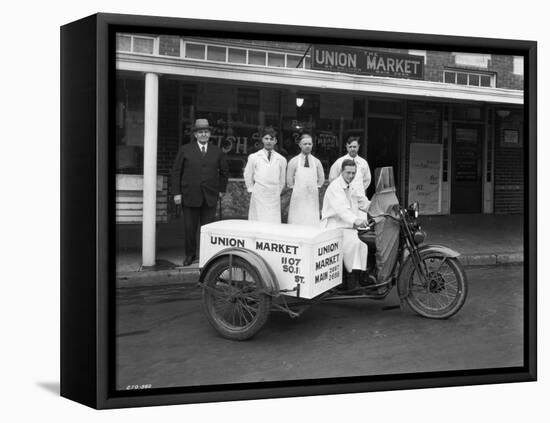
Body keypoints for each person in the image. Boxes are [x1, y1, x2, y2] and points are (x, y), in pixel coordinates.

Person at [171, 119, 229, 266]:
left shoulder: (217, 152)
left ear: (209, 134)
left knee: (207, 229)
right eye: (200, 132)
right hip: (189, 195)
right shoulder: (185, 149)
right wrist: (177, 193)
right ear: (196, 135)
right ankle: (190, 255)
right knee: (189, 228)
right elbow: (176, 172)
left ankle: (206, 256)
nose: (204, 134)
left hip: (210, 196)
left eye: (206, 132)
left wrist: (221, 190)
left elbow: (224, 172)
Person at [321, 159, 370, 289]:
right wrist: (356, 220)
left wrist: (377, 208)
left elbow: (362, 201)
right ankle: (351, 283)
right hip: (334, 225)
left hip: (347, 225)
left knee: (365, 241)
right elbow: (342, 210)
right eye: (348, 173)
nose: (351, 176)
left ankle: (362, 276)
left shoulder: (352, 185)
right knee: (355, 243)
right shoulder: (335, 187)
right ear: (342, 171)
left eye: (353, 173)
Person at [244, 126, 287, 223]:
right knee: (258, 220)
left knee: (272, 220)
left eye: (271, 139)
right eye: (266, 138)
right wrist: (251, 189)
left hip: (273, 194)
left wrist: (276, 191)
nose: (269, 141)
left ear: (275, 141)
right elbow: (248, 174)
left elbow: (282, 180)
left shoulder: (281, 159)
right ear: (262, 140)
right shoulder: (254, 157)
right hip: (259, 192)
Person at [286, 133, 325, 226]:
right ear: (300, 145)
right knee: (297, 218)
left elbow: (321, 178)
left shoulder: (316, 162)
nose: (307, 146)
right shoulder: (294, 161)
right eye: (305, 144)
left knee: (311, 218)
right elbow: (289, 179)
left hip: (312, 196)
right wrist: (296, 188)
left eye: (309, 144)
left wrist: (316, 187)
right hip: (298, 196)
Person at [328, 138, 371, 204]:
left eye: (354, 147)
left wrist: (358, 188)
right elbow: (333, 178)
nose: (352, 149)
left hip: (359, 197)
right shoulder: (340, 162)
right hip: (343, 196)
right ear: (346, 147)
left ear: (358, 146)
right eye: (350, 147)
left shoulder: (363, 163)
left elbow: (367, 180)